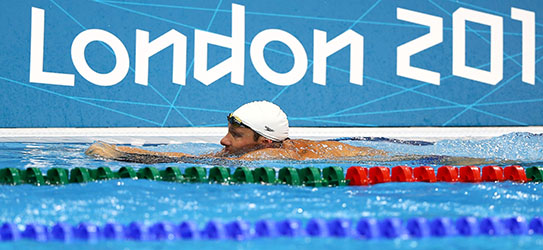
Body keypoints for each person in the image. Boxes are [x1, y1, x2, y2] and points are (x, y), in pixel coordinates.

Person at [85, 101, 497, 165]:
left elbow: (195, 161)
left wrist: (121, 152)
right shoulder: (279, 146)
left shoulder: (271, 157)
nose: (224, 142)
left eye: (235, 136)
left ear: (263, 141)